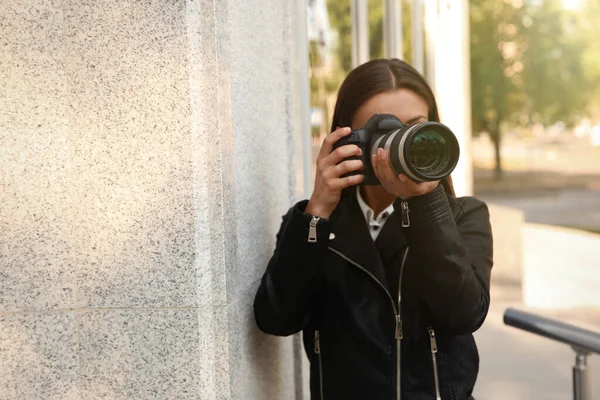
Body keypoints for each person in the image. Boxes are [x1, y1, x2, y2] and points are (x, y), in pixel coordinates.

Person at [253, 58, 493, 400]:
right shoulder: (316, 226)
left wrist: (423, 206)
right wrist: (317, 210)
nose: (398, 145)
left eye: (413, 129)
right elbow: (276, 319)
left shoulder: (464, 216)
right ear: (346, 137)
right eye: (382, 131)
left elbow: (464, 314)